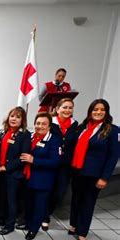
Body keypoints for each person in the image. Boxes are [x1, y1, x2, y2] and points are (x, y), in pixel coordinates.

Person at [69, 99, 119, 240]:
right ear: (90, 111)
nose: (98, 112)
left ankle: (83, 232)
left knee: (88, 203)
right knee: (76, 199)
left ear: (106, 112)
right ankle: (73, 225)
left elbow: (113, 156)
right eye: (95, 109)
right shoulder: (82, 127)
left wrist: (104, 177)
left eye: (102, 109)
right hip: (78, 171)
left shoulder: (112, 130)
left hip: (94, 175)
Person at [20, 112, 61, 240]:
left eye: (44, 124)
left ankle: (33, 229)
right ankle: (27, 224)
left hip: (43, 180)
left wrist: (34, 160)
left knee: (39, 206)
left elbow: (55, 162)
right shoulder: (31, 137)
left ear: (49, 126)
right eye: (38, 123)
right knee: (29, 204)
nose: (40, 126)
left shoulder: (54, 140)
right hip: (29, 178)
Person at [0, 107, 30, 235]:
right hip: (1, 172)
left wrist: (6, 167)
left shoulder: (24, 135)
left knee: (11, 201)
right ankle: (1, 220)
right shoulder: (4, 132)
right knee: (1, 198)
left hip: (13, 174)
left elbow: (23, 158)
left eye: (18, 117)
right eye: (12, 116)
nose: (14, 119)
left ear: (22, 120)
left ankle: (9, 225)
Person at [42, 98, 78, 230]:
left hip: (65, 165)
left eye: (70, 107)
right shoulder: (51, 123)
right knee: (47, 189)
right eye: (64, 107)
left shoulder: (75, 125)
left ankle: (47, 211)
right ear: (57, 109)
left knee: (59, 192)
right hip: (50, 163)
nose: (67, 110)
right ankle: (44, 217)